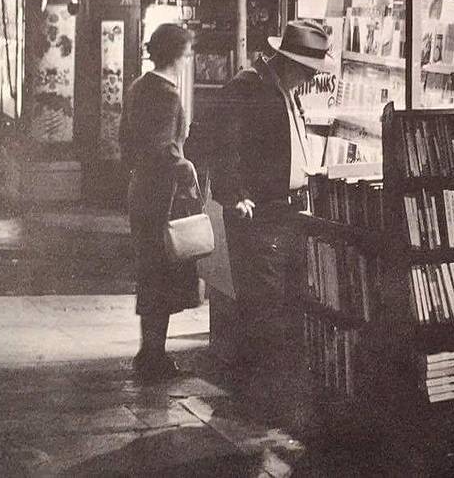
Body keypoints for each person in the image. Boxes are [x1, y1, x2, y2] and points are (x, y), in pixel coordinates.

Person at [211, 20, 330, 371]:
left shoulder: (285, 89)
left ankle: (268, 383)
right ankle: (258, 390)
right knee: (264, 304)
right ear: (290, 63)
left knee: (280, 300)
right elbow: (222, 144)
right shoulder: (249, 87)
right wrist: (233, 195)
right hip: (260, 212)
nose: (311, 81)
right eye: (309, 72)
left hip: (286, 210)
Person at [120, 23, 202, 380]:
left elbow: (127, 139)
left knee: (149, 272)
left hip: (141, 191)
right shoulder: (166, 94)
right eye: (186, 54)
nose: (188, 60)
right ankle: (154, 355)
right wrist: (187, 166)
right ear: (175, 55)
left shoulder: (139, 87)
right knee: (163, 273)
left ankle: (149, 350)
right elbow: (162, 148)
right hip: (161, 196)